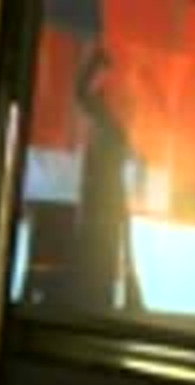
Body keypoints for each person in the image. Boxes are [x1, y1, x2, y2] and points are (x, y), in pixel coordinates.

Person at [71, 42, 142, 312]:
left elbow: (81, 94)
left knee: (99, 260)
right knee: (100, 260)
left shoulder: (112, 126)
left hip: (103, 203)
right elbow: (81, 94)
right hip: (103, 204)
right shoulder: (111, 124)